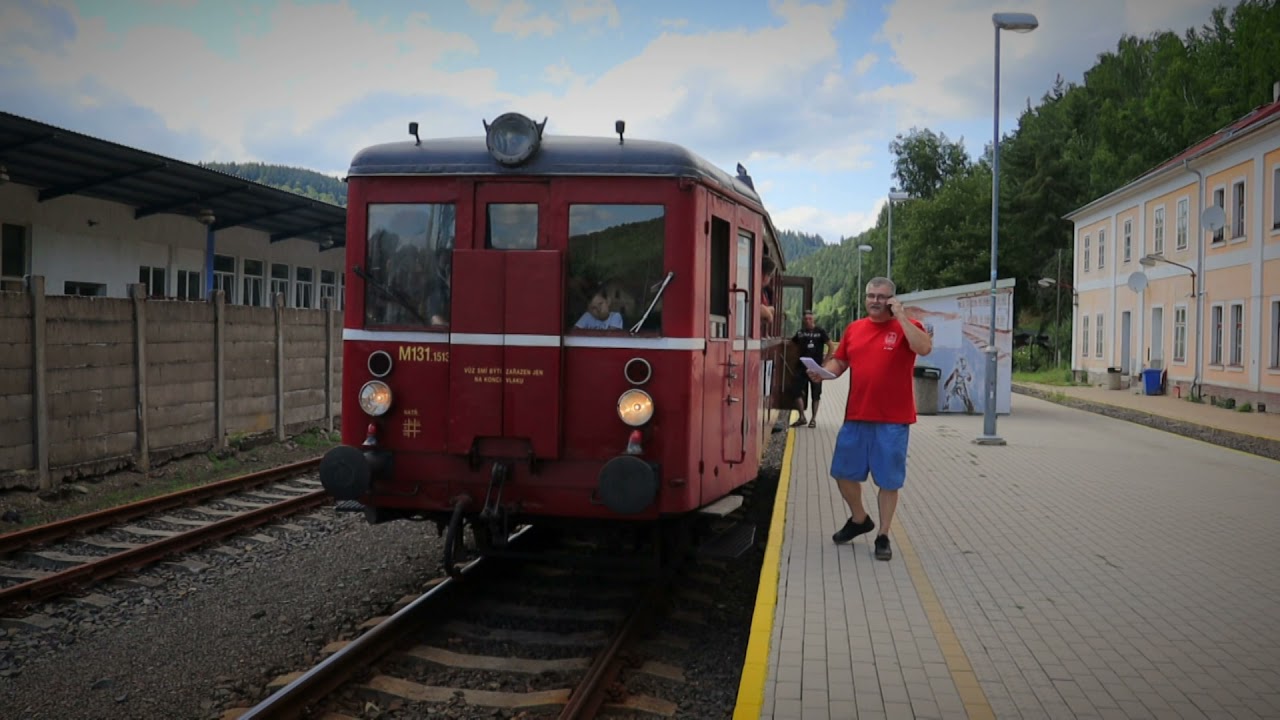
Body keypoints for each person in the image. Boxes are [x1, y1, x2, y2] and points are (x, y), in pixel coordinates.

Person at [806, 277, 932, 561]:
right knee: (842, 472)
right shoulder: (855, 329)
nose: (875, 300)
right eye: (871, 295)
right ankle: (860, 519)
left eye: (881, 296)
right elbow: (840, 361)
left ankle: (883, 535)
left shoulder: (907, 327)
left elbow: (923, 348)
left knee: (888, 480)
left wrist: (901, 316)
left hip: (893, 420)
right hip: (857, 415)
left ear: (891, 299)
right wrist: (823, 371)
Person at [790, 310, 833, 428]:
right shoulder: (800, 333)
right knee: (796, 391)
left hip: (816, 368)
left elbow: (831, 346)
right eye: (806, 319)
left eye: (810, 319)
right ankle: (802, 417)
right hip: (801, 367)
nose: (808, 321)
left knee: (816, 393)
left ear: (814, 319)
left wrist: (825, 362)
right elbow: (791, 345)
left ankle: (813, 419)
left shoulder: (820, 332)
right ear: (803, 321)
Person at [759, 256, 776, 332]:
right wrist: (768, 312)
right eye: (770, 275)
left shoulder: (763, 291)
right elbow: (758, 309)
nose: (769, 279)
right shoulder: (755, 290)